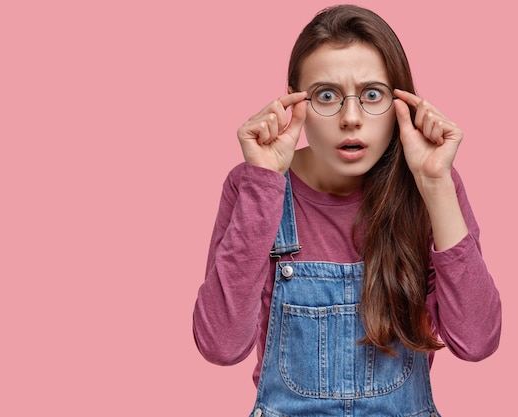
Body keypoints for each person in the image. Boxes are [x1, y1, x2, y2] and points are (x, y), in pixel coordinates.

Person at [192, 4, 501, 417]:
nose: (351, 118)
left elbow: (477, 341)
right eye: (326, 96)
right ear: (292, 103)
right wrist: (263, 183)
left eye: (372, 94)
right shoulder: (253, 185)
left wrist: (435, 185)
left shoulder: (431, 186)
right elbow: (221, 346)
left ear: (400, 103)